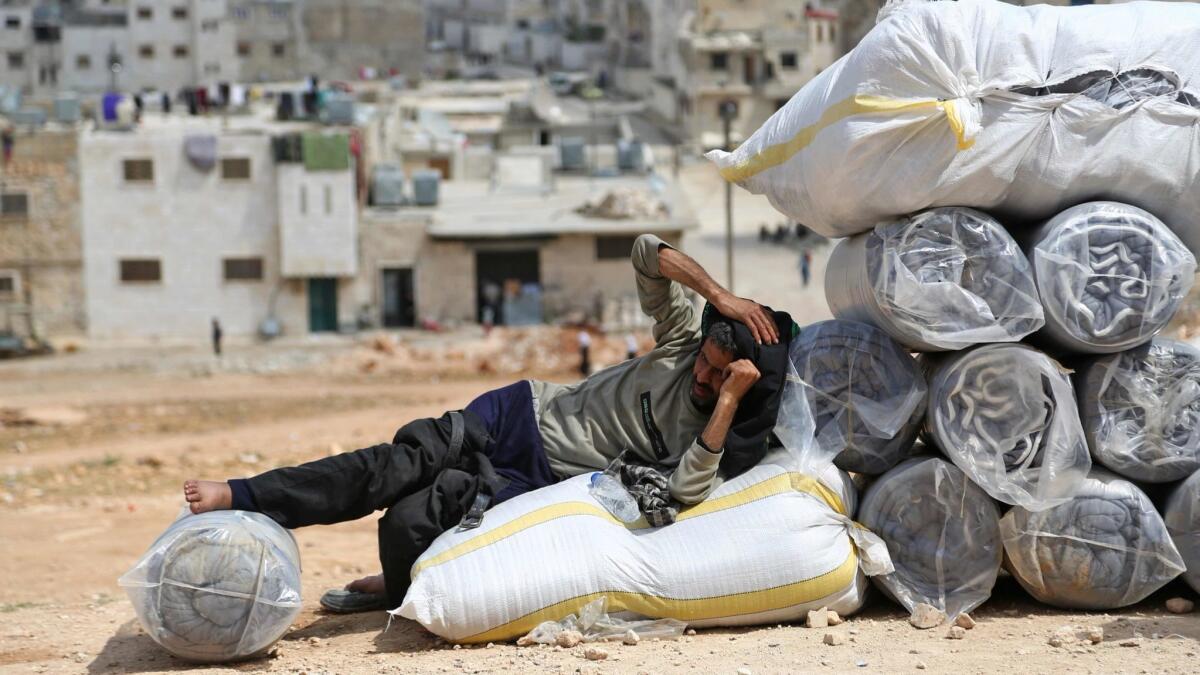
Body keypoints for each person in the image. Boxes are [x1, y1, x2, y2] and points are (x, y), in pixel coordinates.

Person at [182, 234, 792, 614]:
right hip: (516, 412)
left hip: (537, 478)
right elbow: (645, 251)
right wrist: (722, 296)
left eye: (719, 377)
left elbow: (687, 490)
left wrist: (729, 402)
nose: (703, 379)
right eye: (708, 366)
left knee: (410, 519)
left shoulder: (711, 435)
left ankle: (390, 590)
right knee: (397, 463)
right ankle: (246, 494)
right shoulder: (686, 339)